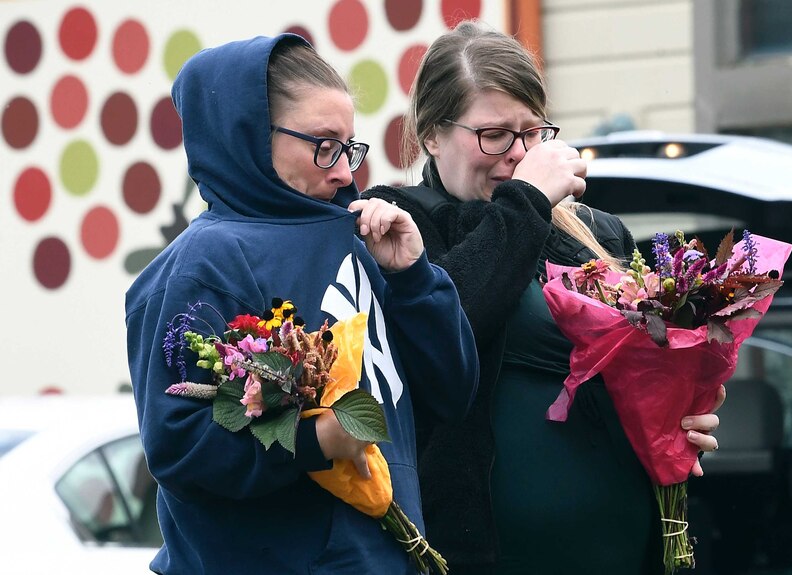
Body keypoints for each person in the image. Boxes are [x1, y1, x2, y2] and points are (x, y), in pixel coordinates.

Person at [362, 20, 725, 574]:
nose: (520, 154)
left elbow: (650, 368)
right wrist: (527, 198)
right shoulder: (400, 223)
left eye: (534, 133)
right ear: (432, 135)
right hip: (477, 551)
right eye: (495, 134)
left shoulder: (596, 233)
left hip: (621, 541)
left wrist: (685, 408)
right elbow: (442, 328)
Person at [125, 34, 478, 574]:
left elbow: (452, 393)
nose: (344, 171)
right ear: (247, 136)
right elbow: (180, 447)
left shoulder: (360, 234)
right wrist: (315, 441)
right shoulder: (207, 261)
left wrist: (413, 278)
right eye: (323, 144)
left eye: (349, 147)